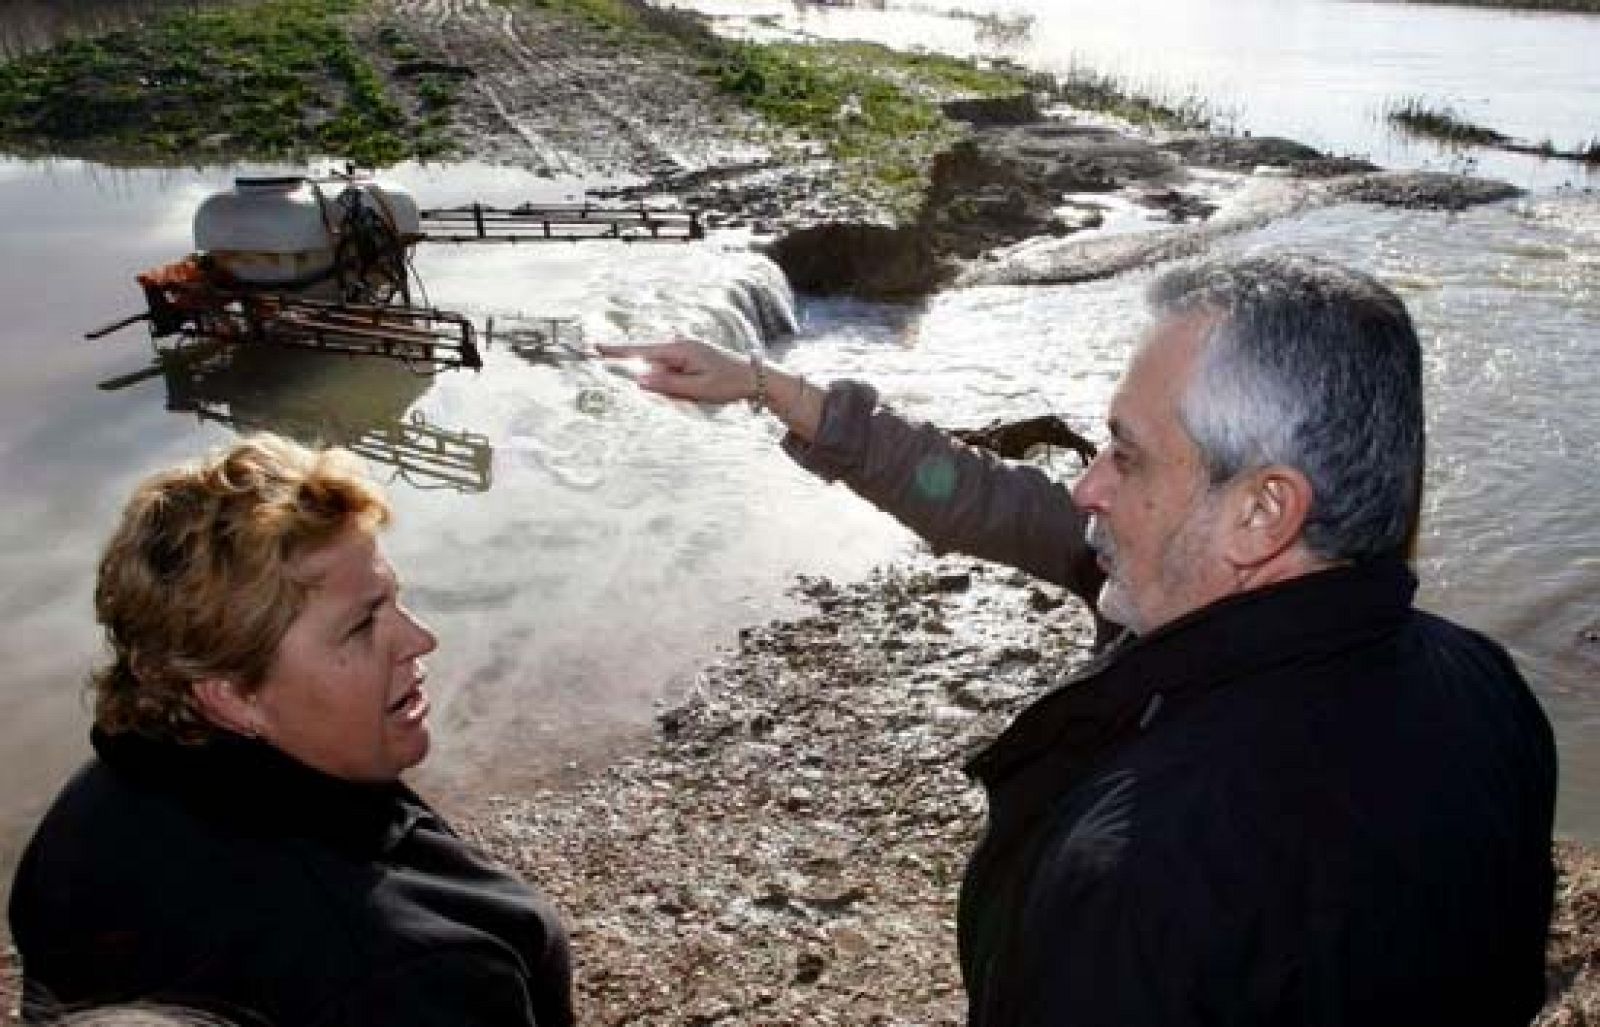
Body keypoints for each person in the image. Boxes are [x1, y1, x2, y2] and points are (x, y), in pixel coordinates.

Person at [600, 253, 1558, 1025]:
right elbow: (985, 498)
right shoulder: (1485, 689)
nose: (1087, 484)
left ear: (1262, 512)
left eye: (1126, 454)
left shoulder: (1136, 881)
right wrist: (765, 384)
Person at [8, 436, 574, 1027]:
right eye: (361, 625)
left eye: (393, 601)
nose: (420, 639)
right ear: (231, 694)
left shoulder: (85, 818)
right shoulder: (406, 975)